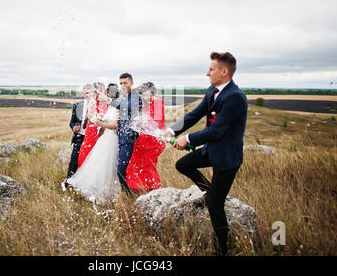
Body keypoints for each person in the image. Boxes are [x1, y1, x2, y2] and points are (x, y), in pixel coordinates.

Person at [163, 52, 248, 256]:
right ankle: (209, 191)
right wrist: (173, 130)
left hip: (227, 158)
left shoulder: (235, 97)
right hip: (212, 150)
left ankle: (223, 250)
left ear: (224, 71)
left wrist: (188, 139)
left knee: (215, 206)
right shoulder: (213, 89)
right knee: (183, 165)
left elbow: (217, 130)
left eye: (211, 69)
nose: (206, 72)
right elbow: (196, 114)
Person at [66, 85, 121, 204]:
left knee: (105, 164)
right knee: (84, 160)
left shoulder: (114, 107)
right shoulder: (86, 104)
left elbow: (114, 124)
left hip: (107, 137)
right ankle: (80, 184)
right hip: (93, 136)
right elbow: (77, 120)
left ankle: (104, 190)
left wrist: (101, 123)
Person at [98, 73, 142, 192]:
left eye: (125, 83)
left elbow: (125, 107)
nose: (122, 85)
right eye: (121, 83)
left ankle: (127, 195)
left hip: (128, 138)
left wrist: (108, 99)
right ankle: (125, 193)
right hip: (120, 138)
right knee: (119, 169)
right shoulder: (125, 97)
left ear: (132, 83)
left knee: (120, 169)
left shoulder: (135, 97)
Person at [126, 82, 165, 193]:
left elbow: (156, 123)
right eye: (141, 93)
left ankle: (155, 191)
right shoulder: (145, 105)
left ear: (151, 91)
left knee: (148, 167)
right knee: (135, 165)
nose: (143, 95)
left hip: (153, 141)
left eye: (144, 92)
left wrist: (143, 122)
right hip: (143, 139)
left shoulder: (157, 103)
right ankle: (139, 191)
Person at [64, 84, 94, 185]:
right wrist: (73, 127)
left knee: (89, 162)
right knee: (74, 161)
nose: (88, 95)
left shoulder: (96, 105)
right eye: (86, 93)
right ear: (83, 94)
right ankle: (69, 182)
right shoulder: (77, 105)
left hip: (92, 138)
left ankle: (85, 183)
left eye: (90, 93)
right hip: (79, 137)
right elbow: (71, 122)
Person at [77, 82, 108, 168]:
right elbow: (90, 116)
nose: (99, 92)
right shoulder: (92, 102)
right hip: (93, 130)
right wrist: (98, 121)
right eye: (97, 90)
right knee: (87, 152)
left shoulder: (107, 101)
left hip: (105, 130)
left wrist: (105, 122)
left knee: (101, 153)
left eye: (101, 90)